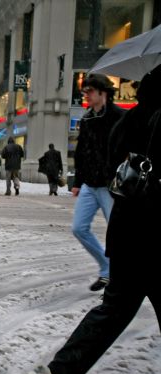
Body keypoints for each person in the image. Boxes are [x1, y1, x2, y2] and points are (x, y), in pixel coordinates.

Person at [25, 65, 161, 374]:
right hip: (155, 235)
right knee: (113, 304)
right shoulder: (115, 121)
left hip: (128, 232)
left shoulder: (128, 120)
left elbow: (113, 159)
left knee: (113, 309)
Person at [70, 73, 124, 292]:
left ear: (103, 93)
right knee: (79, 228)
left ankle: (119, 279)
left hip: (112, 186)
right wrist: (77, 180)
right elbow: (81, 151)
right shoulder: (87, 119)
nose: (86, 96)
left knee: (118, 234)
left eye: (90, 91)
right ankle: (106, 268)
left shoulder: (120, 117)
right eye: (85, 92)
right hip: (90, 185)